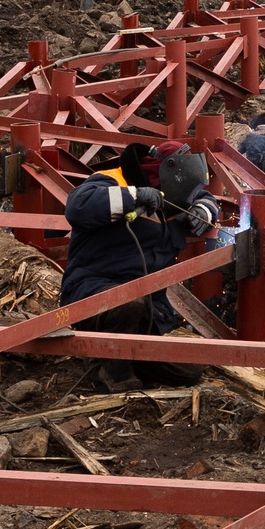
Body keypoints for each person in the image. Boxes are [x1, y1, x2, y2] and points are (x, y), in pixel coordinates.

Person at [59, 139, 224, 387]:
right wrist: (134, 196)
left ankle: (122, 356)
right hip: (94, 291)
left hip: (149, 304)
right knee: (127, 304)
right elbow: (77, 206)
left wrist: (205, 210)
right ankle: (110, 374)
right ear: (163, 170)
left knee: (187, 373)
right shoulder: (112, 180)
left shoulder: (175, 190)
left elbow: (205, 196)